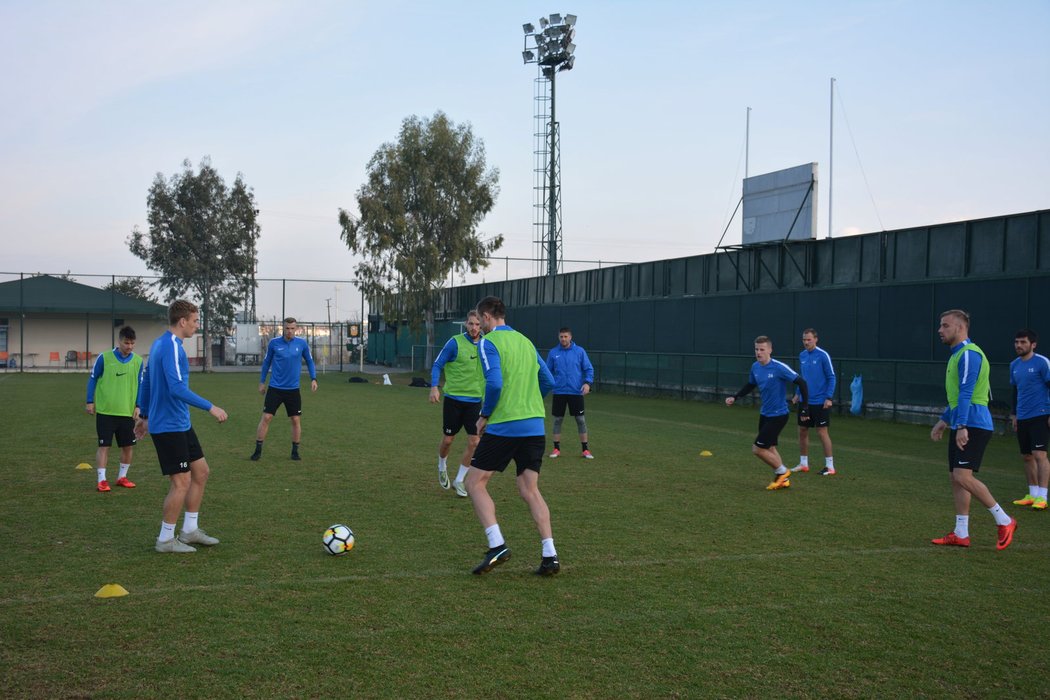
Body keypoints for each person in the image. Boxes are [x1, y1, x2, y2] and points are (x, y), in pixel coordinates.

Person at [466, 296, 559, 576]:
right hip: (533, 425)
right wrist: (528, 402)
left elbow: (494, 383)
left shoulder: (489, 342)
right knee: (529, 490)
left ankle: (497, 545)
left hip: (505, 425)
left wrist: (484, 415)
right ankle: (550, 555)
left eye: (479, 321)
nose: (478, 326)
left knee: (474, 483)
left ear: (486, 317)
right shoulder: (525, 341)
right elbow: (549, 381)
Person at [135, 300, 228, 553]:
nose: (197, 326)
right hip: (169, 426)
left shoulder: (159, 344)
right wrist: (211, 407)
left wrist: (143, 415)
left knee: (201, 472)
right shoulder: (171, 347)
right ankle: (165, 540)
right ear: (183, 321)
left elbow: (147, 380)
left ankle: (189, 531)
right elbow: (176, 389)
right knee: (181, 483)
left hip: (180, 423)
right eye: (196, 321)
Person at [929, 309, 1016, 550]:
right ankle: (961, 532)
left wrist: (962, 426)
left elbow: (968, 392)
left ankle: (1005, 520)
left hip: (974, 423)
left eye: (945, 325)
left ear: (960, 328)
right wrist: (944, 420)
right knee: (955, 479)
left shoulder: (969, 354)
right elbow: (957, 396)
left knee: (962, 476)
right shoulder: (957, 355)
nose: (940, 330)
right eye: (940, 325)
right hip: (963, 422)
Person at [725, 336, 810, 490]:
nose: (759, 352)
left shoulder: (779, 367)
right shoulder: (755, 367)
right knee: (769, 447)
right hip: (765, 414)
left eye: (762, 349)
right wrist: (736, 397)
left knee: (757, 449)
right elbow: (751, 385)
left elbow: (801, 382)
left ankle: (782, 472)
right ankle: (783, 481)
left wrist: (804, 406)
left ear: (770, 350)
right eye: (756, 349)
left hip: (779, 415)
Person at [429, 310, 484, 497]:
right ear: (465, 324)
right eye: (471, 324)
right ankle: (442, 464)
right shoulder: (455, 342)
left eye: (477, 324)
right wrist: (434, 387)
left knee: (475, 441)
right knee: (448, 440)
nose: (474, 328)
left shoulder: (487, 344)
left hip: (475, 401)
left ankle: (459, 480)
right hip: (453, 400)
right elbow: (437, 364)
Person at [85, 326, 144, 492]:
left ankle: (122, 477)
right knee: (104, 446)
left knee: (128, 446)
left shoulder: (138, 361)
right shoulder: (104, 357)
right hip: (106, 412)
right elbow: (93, 379)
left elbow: (140, 385)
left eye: (132, 343)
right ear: (119, 341)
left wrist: (139, 406)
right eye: (126, 343)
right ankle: (102, 480)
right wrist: (90, 401)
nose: (130, 346)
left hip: (127, 412)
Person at [251, 317, 318, 461]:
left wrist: (314, 378)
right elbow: (266, 363)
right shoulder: (274, 343)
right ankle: (257, 450)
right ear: (283, 328)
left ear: (296, 328)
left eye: (292, 328)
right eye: (287, 328)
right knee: (266, 417)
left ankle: (295, 451)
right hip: (275, 388)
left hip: (293, 390)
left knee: (295, 420)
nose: (290, 331)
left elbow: (310, 361)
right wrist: (262, 382)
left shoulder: (302, 344)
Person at [1008, 329, 1050, 510]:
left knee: (1040, 454)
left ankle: (1042, 496)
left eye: (1023, 342)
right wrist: (1014, 414)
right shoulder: (1014, 365)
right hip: (1023, 416)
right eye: (1017, 342)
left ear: (1033, 344)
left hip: (1041, 414)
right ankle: (1032, 495)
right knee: (1026, 456)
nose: (1019, 345)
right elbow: (1016, 391)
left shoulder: (1042, 363)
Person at [790, 328, 838, 476]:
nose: (806, 342)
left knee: (822, 432)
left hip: (820, 401)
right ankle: (803, 464)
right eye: (804, 339)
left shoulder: (823, 355)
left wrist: (829, 397)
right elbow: (802, 378)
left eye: (809, 339)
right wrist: (798, 394)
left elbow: (831, 377)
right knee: (802, 430)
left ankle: (830, 466)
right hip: (805, 401)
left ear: (816, 339)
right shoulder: (802, 355)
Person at [546, 327, 595, 459]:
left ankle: (585, 450)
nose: (563, 339)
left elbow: (589, 369)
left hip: (575, 392)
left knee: (580, 420)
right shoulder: (553, 353)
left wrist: (587, 383)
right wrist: (549, 384)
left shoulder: (579, 351)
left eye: (566, 336)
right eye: (561, 336)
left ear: (570, 337)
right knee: (557, 420)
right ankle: (556, 449)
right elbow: (547, 371)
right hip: (559, 392)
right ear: (558, 337)